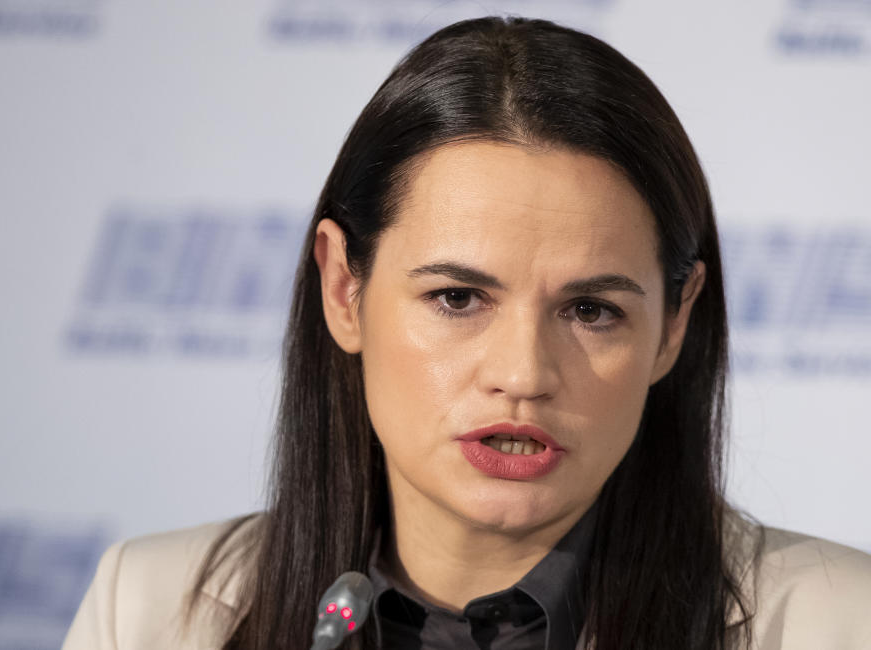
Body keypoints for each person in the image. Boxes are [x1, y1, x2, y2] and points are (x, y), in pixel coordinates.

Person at [62, 15, 871, 650]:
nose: (523, 374)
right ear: (344, 288)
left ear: (674, 324)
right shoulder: (154, 610)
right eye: (457, 298)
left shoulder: (841, 625)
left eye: (591, 311)